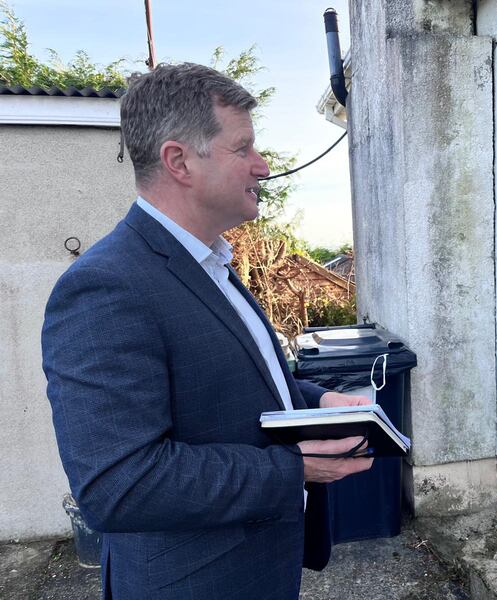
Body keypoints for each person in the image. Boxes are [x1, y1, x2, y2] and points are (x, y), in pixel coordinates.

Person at [41, 63, 373, 600]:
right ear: (179, 161)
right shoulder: (106, 287)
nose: (262, 167)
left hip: (261, 569)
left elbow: (239, 381)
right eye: (243, 149)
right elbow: (119, 485)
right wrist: (295, 470)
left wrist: (321, 399)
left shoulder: (210, 260)